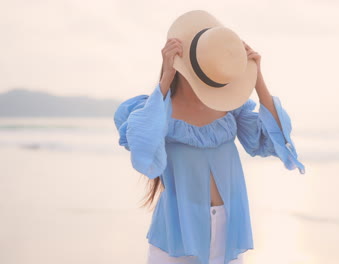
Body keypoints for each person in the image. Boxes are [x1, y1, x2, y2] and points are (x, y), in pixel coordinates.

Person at [113, 10, 305, 264]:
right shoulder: (153, 109)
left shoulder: (232, 106)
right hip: (175, 235)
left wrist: (257, 78)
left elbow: (271, 142)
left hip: (228, 233)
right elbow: (144, 151)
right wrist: (165, 80)